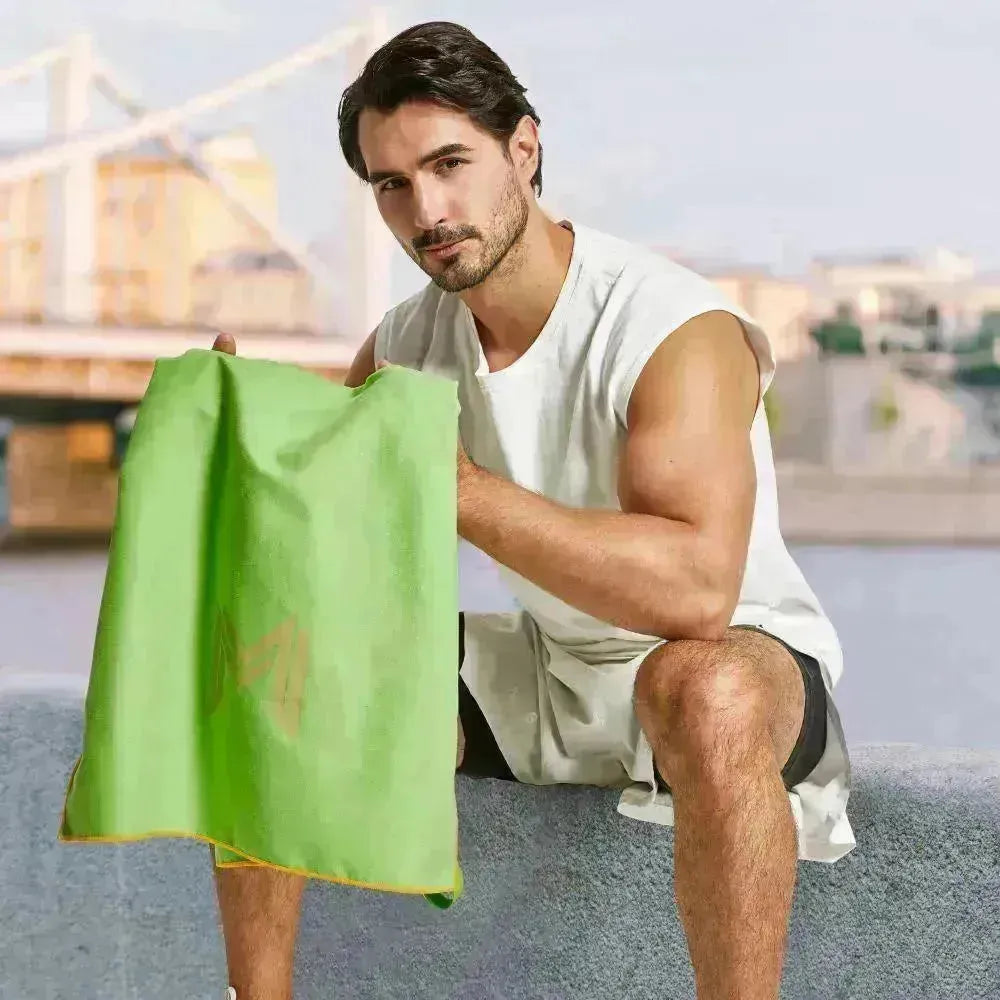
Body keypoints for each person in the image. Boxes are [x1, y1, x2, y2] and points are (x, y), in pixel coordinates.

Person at [211, 20, 854, 1000]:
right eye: (391, 183)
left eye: (447, 163)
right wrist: (240, 462)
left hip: (737, 671)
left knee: (703, 688)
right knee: (270, 660)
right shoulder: (404, 347)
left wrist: (460, 490)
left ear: (524, 148)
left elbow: (697, 593)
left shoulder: (669, 325)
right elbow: (320, 566)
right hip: (549, 679)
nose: (424, 208)